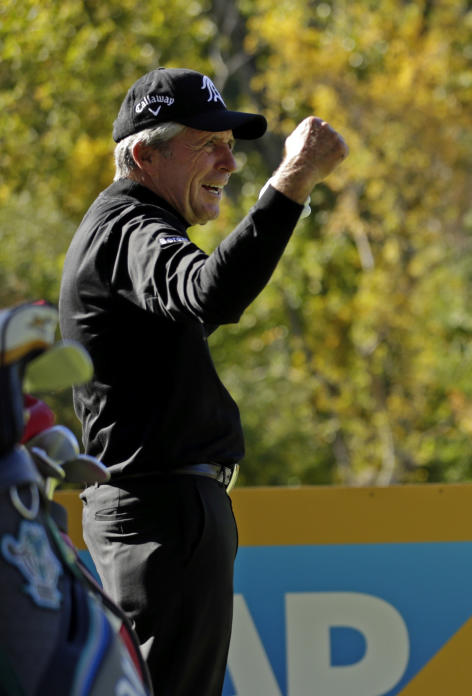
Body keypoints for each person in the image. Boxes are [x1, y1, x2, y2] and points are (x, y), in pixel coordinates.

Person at [58, 67, 347, 696]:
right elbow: (210, 292)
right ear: (143, 154)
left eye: (230, 143)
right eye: (206, 142)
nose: (229, 160)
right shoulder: (128, 230)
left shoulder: (128, 233)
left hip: (162, 515)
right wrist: (292, 180)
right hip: (159, 517)